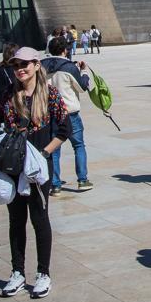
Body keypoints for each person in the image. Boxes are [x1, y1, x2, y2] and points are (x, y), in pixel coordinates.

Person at [0, 47, 71, 299]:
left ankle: (43, 273)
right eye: (16, 64)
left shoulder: (50, 95)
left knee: (39, 219)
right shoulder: (9, 93)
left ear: (37, 65)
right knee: (16, 220)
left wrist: (45, 155)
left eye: (25, 64)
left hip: (37, 168)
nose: (20, 68)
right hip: (13, 166)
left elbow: (64, 130)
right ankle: (17, 272)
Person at [42, 37, 93, 195]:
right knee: (78, 145)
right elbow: (82, 87)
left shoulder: (41, 66)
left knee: (54, 150)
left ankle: (55, 184)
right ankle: (82, 180)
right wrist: (83, 72)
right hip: (70, 113)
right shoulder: (69, 67)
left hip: (50, 113)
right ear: (65, 50)